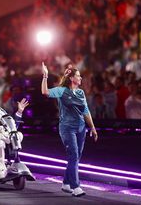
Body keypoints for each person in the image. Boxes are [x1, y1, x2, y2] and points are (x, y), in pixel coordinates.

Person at [41, 62, 98, 197]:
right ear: (72, 78)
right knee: (73, 155)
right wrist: (45, 75)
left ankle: (66, 183)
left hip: (81, 128)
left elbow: (86, 111)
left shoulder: (81, 92)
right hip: (67, 128)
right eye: (78, 76)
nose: (81, 78)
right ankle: (75, 186)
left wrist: (93, 128)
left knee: (76, 157)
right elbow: (45, 92)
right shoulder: (61, 90)